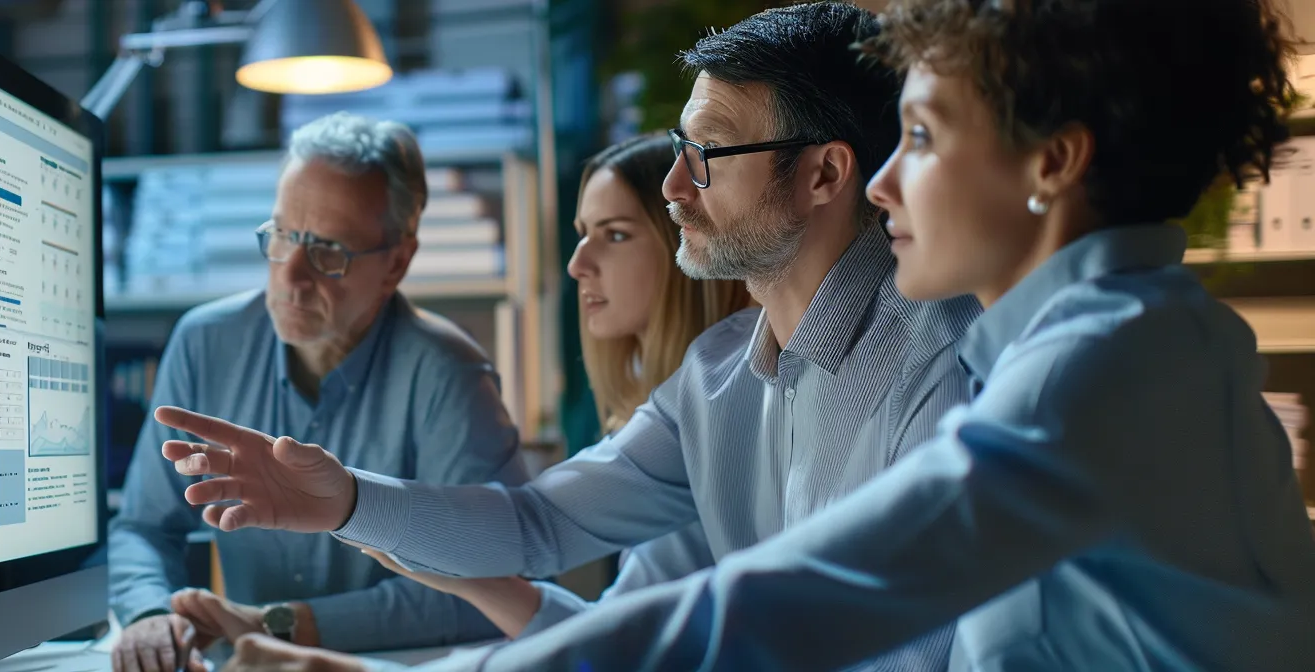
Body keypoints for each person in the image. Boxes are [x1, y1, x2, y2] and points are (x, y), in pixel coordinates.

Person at [190, 0, 1315, 669]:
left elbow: (798, 603)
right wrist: (343, 500)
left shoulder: (1085, 363)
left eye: (919, 137)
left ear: (1052, 161)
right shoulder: (1087, 345)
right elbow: (556, 533)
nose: (885, 180)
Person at [153, 3, 982, 669]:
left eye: (709, 154)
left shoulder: (944, 368)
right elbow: (537, 526)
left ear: (825, 175)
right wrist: (347, 501)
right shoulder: (716, 375)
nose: (671, 185)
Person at [106, 112, 528, 672]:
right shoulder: (205, 342)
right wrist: (149, 616)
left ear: (397, 262)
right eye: (282, 235)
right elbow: (142, 526)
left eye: (328, 251)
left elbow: (491, 583)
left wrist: (281, 623)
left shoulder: (449, 374)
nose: (290, 277)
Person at [354, 135, 754, 638]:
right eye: (584, 234)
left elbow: (617, 650)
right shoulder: (672, 410)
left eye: (615, 235)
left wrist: (346, 503)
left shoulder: (719, 412)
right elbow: (618, 640)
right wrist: (475, 580)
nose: (577, 264)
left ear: (687, 236)